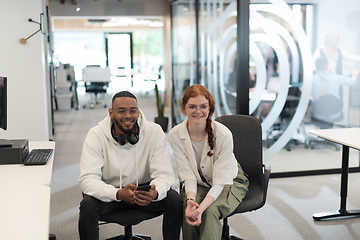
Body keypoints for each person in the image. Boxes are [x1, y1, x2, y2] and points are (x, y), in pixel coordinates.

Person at [78, 91, 182, 240]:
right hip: (111, 194)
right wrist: (118, 194)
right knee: (87, 205)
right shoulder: (96, 135)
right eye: (121, 111)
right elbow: (87, 180)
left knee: (173, 199)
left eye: (133, 110)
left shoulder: (154, 132)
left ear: (138, 112)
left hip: (143, 194)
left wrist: (156, 192)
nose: (128, 116)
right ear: (111, 113)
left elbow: (164, 174)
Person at [168, 84, 249, 240]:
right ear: (184, 108)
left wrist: (200, 210)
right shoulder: (175, 135)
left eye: (203, 106)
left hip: (228, 181)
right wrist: (191, 201)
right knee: (188, 208)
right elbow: (188, 174)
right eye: (192, 106)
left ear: (210, 109)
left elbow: (219, 182)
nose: (198, 111)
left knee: (210, 211)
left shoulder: (223, 134)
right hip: (198, 181)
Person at [311, 57, 359, 124]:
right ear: (326, 67)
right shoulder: (336, 78)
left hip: (318, 114)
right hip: (335, 113)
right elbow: (352, 82)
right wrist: (354, 75)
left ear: (316, 67)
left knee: (315, 115)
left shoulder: (311, 79)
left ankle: (317, 131)